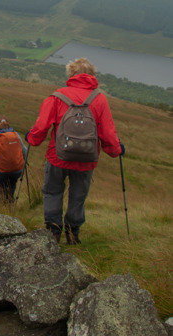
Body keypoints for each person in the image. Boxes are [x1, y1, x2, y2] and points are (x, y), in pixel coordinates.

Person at [26, 58, 124, 244]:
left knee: (52, 191)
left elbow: (40, 126)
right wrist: (117, 150)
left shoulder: (57, 96)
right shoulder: (99, 99)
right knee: (78, 195)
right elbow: (108, 134)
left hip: (57, 157)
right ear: (92, 76)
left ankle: (53, 231)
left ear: (71, 74)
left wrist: (31, 139)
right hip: (86, 159)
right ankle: (73, 234)